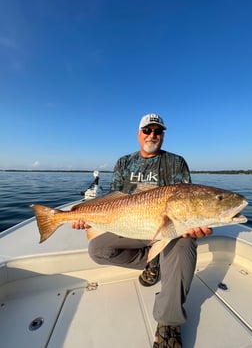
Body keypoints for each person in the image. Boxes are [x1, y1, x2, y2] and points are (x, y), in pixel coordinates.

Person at [72, 113, 212, 348]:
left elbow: (188, 197)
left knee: (185, 240)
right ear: (139, 134)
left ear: (163, 135)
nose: (152, 135)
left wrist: (191, 222)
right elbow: (112, 198)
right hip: (129, 223)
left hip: (169, 225)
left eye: (158, 131)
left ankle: (168, 322)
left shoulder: (176, 163)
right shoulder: (123, 163)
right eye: (147, 130)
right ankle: (152, 263)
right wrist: (84, 214)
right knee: (97, 249)